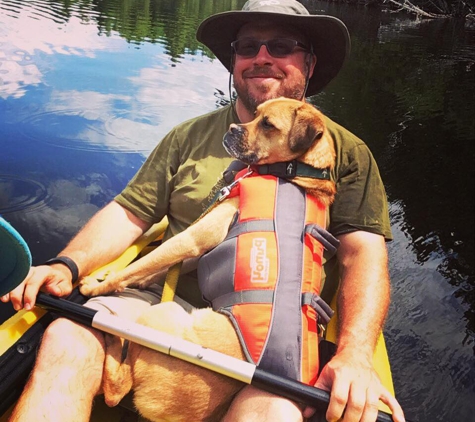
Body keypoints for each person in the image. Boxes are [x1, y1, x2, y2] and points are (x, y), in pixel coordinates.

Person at [1, 1, 405, 421]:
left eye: (281, 45)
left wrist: (355, 353)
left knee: (275, 413)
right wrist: (68, 265)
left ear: (310, 60)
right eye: (248, 47)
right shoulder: (188, 136)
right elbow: (130, 213)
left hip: (272, 333)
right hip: (158, 301)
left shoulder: (346, 153)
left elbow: (364, 255)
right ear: (234, 61)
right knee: (66, 338)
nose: (261, 57)